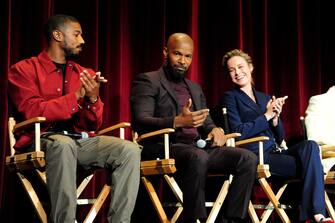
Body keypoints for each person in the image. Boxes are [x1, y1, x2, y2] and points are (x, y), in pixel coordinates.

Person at [8, 14, 141, 223]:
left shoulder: (83, 73)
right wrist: (77, 96)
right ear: (58, 35)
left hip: (79, 141)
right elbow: (32, 110)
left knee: (129, 150)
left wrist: (93, 99)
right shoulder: (23, 69)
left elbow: (92, 125)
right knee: (63, 145)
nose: (83, 41)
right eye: (77, 34)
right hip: (40, 140)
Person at [130, 33, 257, 223]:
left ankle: (232, 219)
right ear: (165, 52)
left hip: (197, 147)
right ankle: (194, 219)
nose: (182, 61)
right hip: (164, 147)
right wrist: (177, 122)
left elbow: (206, 121)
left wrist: (215, 130)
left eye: (188, 56)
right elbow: (141, 120)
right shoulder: (148, 80)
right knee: (198, 156)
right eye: (177, 54)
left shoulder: (194, 88)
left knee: (247, 158)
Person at [220, 49, 333, 223]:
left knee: (310, 146)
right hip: (255, 154)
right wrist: (266, 116)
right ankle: (315, 215)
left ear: (251, 67)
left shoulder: (264, 97)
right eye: (231, 70)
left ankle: (315, 213)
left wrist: (275, 119)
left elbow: (280, 136)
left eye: (241, 67)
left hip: (275, 151)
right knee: (313, 165)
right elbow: (238, 132)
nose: (237, 72)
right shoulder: (230, 97)